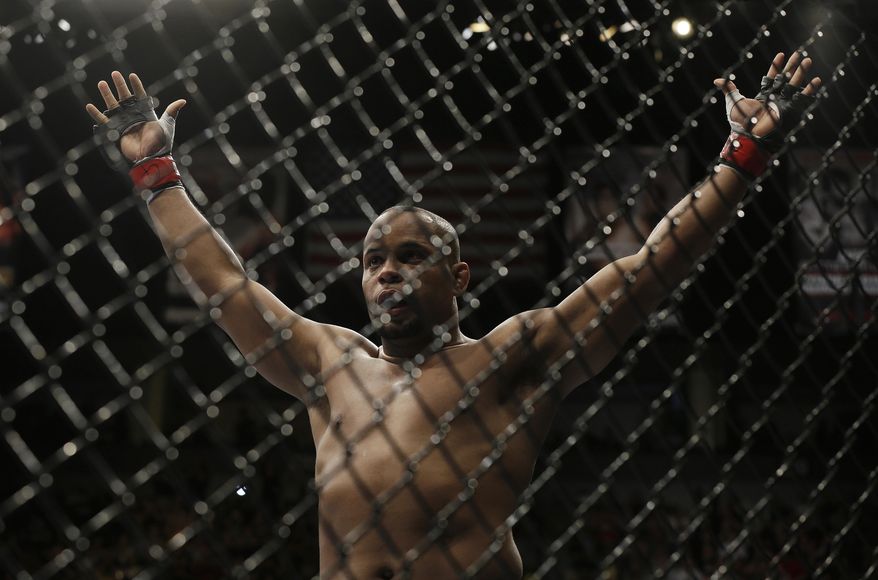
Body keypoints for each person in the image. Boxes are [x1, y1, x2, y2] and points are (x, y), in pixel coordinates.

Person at [86, 51, 820, 579]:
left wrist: (742, 155)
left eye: (412, 256)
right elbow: (222, 282)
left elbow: (651, 267)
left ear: (459, 276)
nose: (388, 273)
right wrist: (156, 176)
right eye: (374, 260)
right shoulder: (329, 364)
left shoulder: (513, 358)